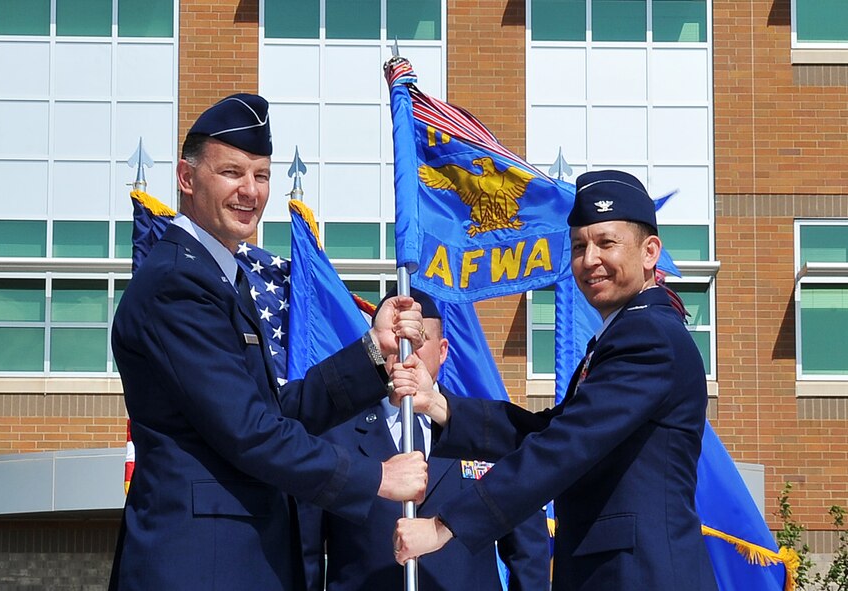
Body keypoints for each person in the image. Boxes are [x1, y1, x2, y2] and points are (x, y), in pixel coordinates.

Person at [109, 93, 428, 591]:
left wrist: (373, 351)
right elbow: (249, 431)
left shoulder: (220, 278)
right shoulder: (176, 284)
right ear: (186, 178)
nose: (250, 191)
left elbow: (275, 412)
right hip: (202, 566)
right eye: (232, 172)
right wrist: (376, 479)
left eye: (261, 176)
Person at [390, 170, 718, 590]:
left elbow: (565, 446)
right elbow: (552, 431)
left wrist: (444, 526)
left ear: (650, 251)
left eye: (606, 242)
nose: (589, 259)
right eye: (579, 246)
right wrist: (438, 404)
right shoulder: (624, 334)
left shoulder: (646, 336)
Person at [297, 289, 551, 591]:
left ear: (442, 351)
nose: (406, 351)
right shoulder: (334, 432)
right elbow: (307, 550)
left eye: (417, 340)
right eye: (397, 337)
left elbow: (527, 548)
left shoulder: (486, 432)